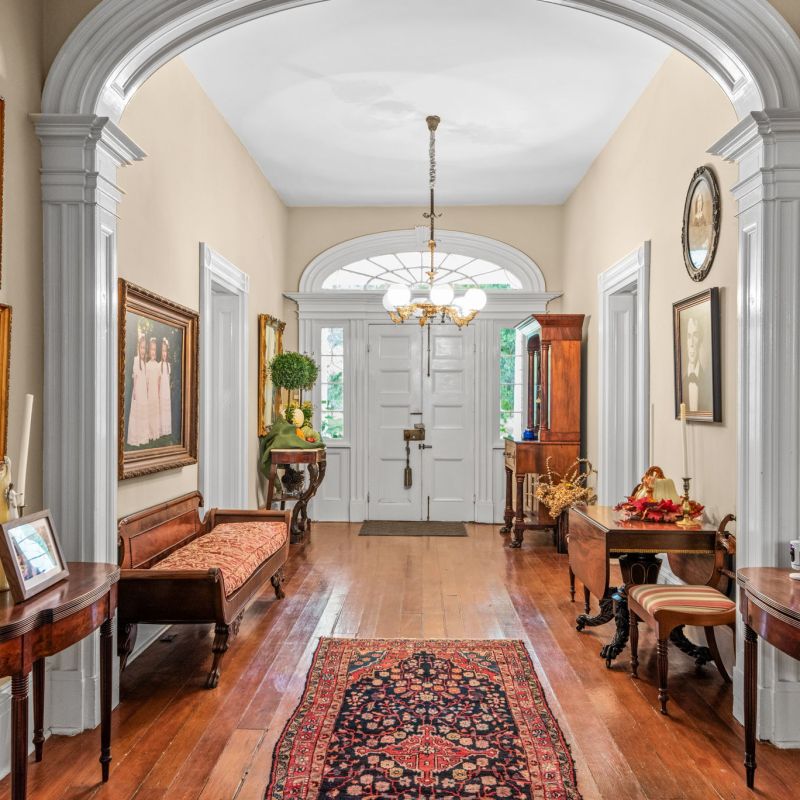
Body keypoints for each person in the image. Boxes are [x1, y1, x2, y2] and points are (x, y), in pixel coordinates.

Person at [683, 315, 711, 412]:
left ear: (700, 339)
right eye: (688, 336)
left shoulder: (708, 384)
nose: (691, 343)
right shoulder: (681, 384)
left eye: (695, 336)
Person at [127, 334, 150, 446]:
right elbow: (135, 377)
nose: (142, 350)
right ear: (138, 348)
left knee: (143, 413)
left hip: (143, 390)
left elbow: (145, 379)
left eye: (144, 348)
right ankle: (135, 437)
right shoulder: (136, 360)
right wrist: (135, 391)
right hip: (138, 390)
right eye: (141, 347)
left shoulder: (145, 363)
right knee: (137, 413)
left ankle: (142, 437)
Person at [145, 337, 161, 441]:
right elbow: (146, 381)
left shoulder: (157, 365)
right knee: (149, 411)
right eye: (151, 349)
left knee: (155, 412)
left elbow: (159, 380)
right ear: (149, 351)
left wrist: (158, 393)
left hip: (155, 392)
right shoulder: (147, 365)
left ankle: (155, 432)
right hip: (149, 391)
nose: (153, 352)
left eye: (154, 350)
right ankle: (149, 432)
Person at [158, 337, 172, 438]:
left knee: (166, 410)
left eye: (165, 351)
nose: (164, 353)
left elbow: (168, 379)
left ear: (167, 353)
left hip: (166, 392)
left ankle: (167, 430)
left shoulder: (168, 365)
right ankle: (161, 430)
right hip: (161, 392)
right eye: (162, 351)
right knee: (161, 410)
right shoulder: (159, 365)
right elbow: (158, 381)